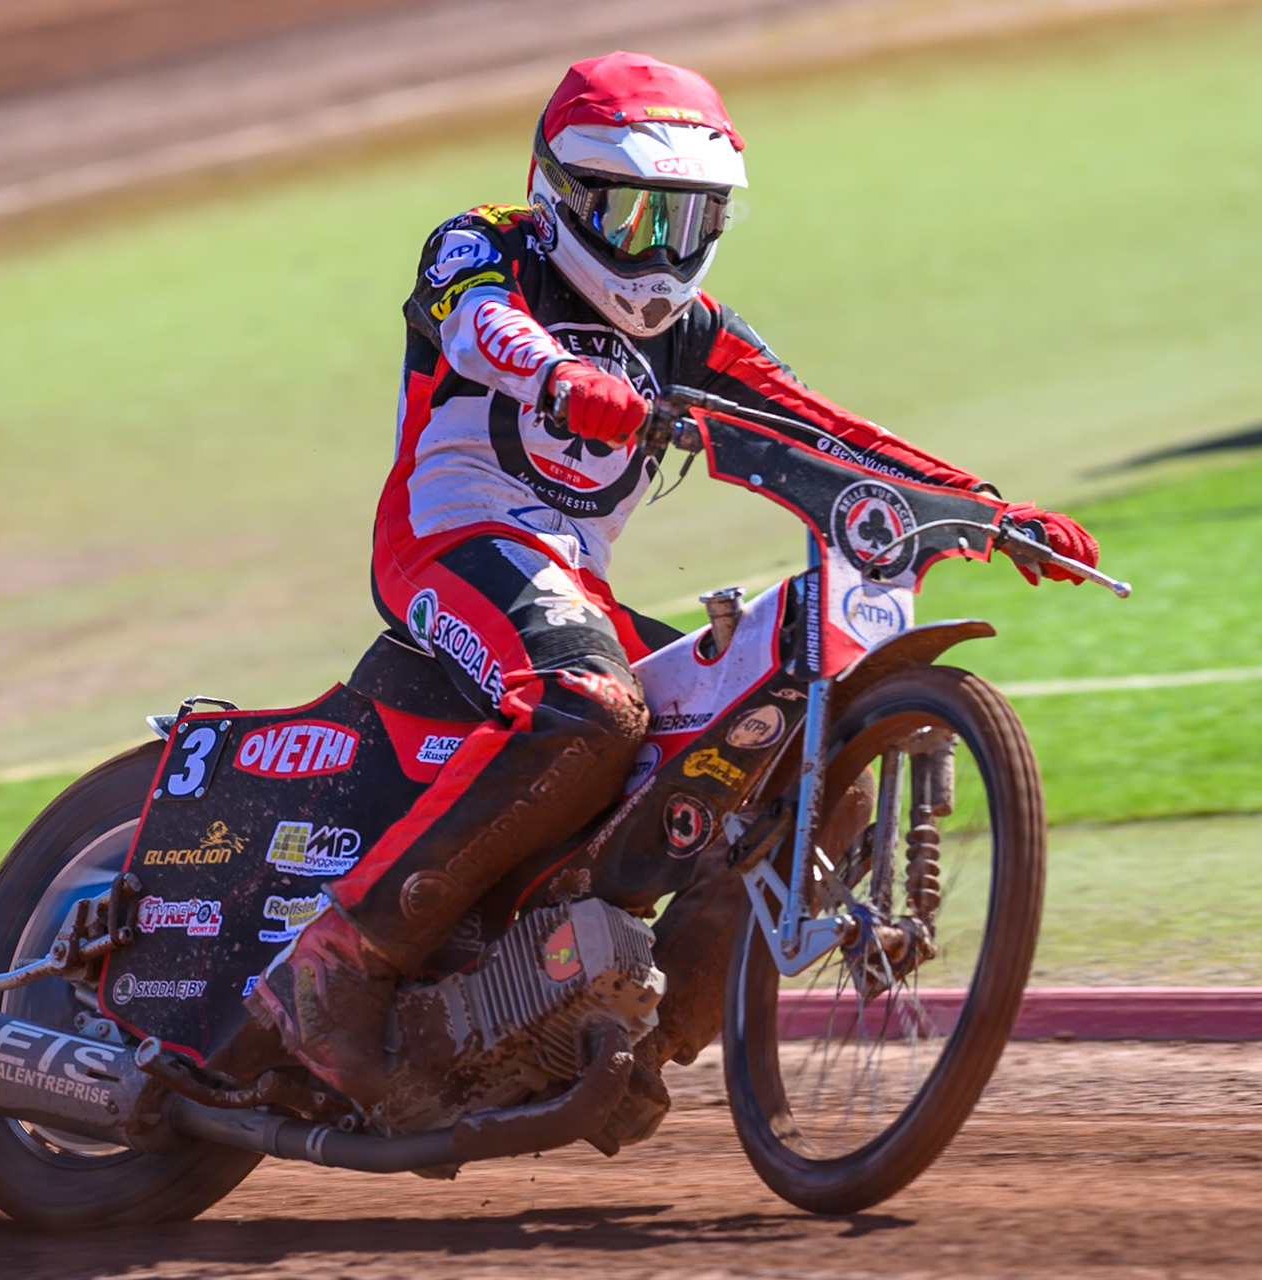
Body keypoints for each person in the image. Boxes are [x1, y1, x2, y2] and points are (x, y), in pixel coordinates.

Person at [246, 51, 1098, 1112]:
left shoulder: (699, 334)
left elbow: (829, 429)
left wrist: (989, 506)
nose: (661, 253)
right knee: (592, 706)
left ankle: (645, 1028)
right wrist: (560, 375)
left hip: (574, 585)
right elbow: (477, 321)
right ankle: (334, 970)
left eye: (688, 224)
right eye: (637, 217)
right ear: (563, 191)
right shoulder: (486, 239)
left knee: (775, 742)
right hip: (445, 540)